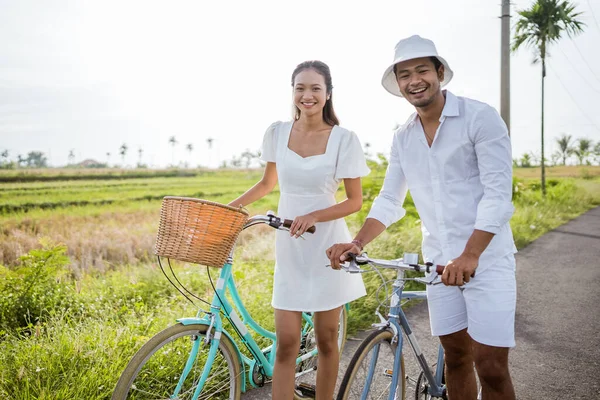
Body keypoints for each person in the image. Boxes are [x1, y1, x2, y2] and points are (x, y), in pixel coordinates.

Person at [326, 35, 517, 400]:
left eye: (421, 70)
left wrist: (471, 254)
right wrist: (357, 241)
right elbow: (388, 201)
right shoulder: (403, 138)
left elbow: (498, 196)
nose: (414, 80)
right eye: (404, 75)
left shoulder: (480, 118)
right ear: (398, 85)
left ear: (439, 72)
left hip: (487, 260)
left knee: (491, 366)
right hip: (439, 266)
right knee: (456, 359)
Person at [228, 60, 370, 400]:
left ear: (328, 94)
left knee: (326, 337)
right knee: (286, 342)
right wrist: (229, 210)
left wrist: (316, 216)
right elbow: (266, 184)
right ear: (292, 93)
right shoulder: (277, 132)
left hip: (327, 246)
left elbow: (354, 201)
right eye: (300, 88)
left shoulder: (344, 139)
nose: (307, 95)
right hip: (289, 244)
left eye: (315, 88)